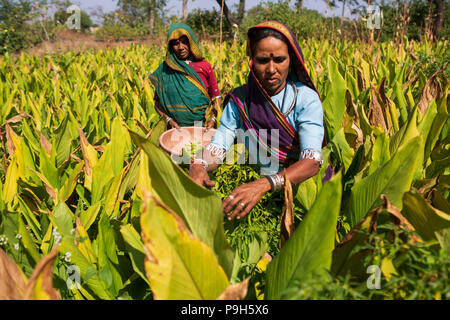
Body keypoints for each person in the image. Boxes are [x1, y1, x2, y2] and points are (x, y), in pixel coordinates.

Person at [189, 20, 325, 221]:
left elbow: (312, 162)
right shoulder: (240, 100)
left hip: (301, 194)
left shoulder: (305, 99)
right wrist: (199, 164)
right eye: (263, 60)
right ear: (252, 60)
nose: (271, 69)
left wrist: (263, 185)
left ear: (291, 60)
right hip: (256, 194)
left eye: (279, 59)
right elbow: (219, 147)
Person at [149, 23, 221, 129]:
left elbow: (217, 97)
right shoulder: (165, 69)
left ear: (191, 42)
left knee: (196, 146)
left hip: (199, 125)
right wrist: (169, 120)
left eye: (184, 42)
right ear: (170, 47)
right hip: (175, 128)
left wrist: (212, 119)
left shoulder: (204, 66)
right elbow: (157, 103)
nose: (181, 47)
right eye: (176, 43)